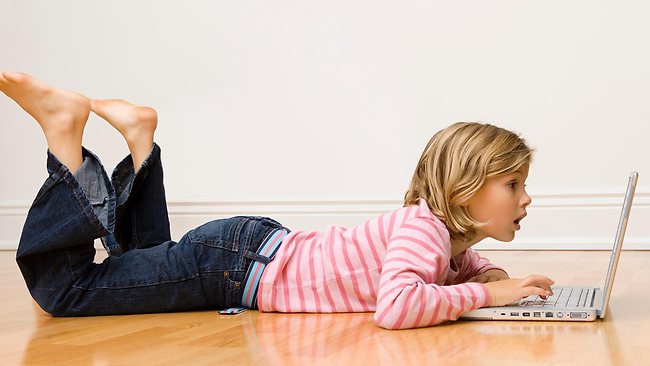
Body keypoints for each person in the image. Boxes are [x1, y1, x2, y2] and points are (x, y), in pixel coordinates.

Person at [1, 72, 554, 330]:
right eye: (513, 185)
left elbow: (458, 266)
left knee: (137, 267)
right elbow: (397, 307)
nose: (526, 198)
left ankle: (142, 142)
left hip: (248, 253)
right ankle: (64, 136)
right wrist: (487, 294)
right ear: (462, 189)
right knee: (69, 292)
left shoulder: (439, 237)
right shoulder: (423, 230)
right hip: (233, 267)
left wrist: (491, 275)